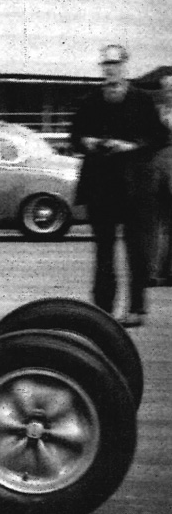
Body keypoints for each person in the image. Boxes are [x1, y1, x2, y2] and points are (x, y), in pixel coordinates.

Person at [69, 45, 166, 328]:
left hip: (135, 187)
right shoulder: (90, 100)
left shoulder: (142, 100)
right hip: (101, 187)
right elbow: (75, 135)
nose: (110, 69)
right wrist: (88, 142)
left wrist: (130, 146)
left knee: (136, 250)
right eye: (106, 64)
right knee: (103, 252)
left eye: (115, 64)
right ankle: (103, 311)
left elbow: (160, 137)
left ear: (125, 66)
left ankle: (136, 308)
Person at [148, 75, 172, 287]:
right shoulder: (156, 111)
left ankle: (167, 271)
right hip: (157, 172)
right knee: (155, 225)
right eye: (167, 88)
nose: (170, 92)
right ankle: (153, 272)